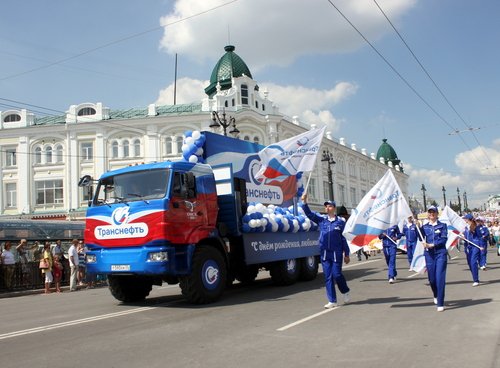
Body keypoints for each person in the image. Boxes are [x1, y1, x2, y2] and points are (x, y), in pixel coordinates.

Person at [301, 194, 350, 309]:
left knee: (337, 275)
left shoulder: (340, 222)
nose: (327, 208)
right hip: (324, 253)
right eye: (326, 206)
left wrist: (346, 254)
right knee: (328, 277)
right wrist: (304, 202)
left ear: (334, 208)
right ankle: (332, 300)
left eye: (329, 206)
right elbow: (309, 214)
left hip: (336, 253)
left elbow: (343, 239)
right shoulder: (322, 220)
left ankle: (345, 291)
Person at [420, 206, 448, 312]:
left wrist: (432, 245)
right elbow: (419, 237)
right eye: (430, 212)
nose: (431, 214)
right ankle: (436, 294)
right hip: (429, 255)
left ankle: (440, 303)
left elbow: (444, 239)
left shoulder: (442, 226)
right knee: (432, 279)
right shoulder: (425, 227)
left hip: (440, 254)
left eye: (433, 212)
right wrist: (416, 226)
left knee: (440, 278)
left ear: (437, 214)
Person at [463, 213, 481, 287]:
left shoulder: (476, 227)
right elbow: (465, 237)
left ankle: (476, 280)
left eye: (465, 218)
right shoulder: (465, 228)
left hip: (475, 246)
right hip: (467, 247)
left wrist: (481, 246)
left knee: (473, 262)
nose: (464, 220)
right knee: (470, 263)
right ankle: (475, 277)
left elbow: (480, 237)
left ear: (468, 219)